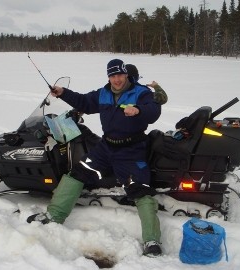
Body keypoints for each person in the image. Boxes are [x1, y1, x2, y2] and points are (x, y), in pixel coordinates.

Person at [27, 59, 163, 257]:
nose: (117, 79)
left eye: (120, 75)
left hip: (131, 150)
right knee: (77, 174)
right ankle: (53, 215)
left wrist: (139, 110)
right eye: (113, 75)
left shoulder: (141, 93)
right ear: (109, 76)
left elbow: (154, 111)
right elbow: (84, 102)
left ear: (127, 75)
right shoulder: (104, 93)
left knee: (140, 190)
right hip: (106, 147)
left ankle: (152, 240)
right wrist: (63, 92)